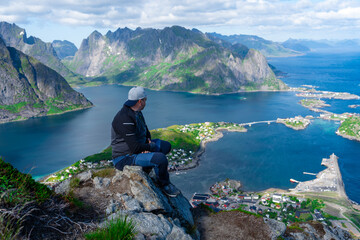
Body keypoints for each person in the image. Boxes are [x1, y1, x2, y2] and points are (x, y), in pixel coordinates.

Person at [111, 86, 180, 197]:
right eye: (145, 100)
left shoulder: (136, 112)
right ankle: (165, 185)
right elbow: (134, 148)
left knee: (166, 146)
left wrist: (147, 144)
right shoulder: (124, 119)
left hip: (138, 149)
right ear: (140, 101)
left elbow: (146, 132)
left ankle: (148, 166)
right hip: (124, 157)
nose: (145, 102)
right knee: (161, 159)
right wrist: (149, 147)